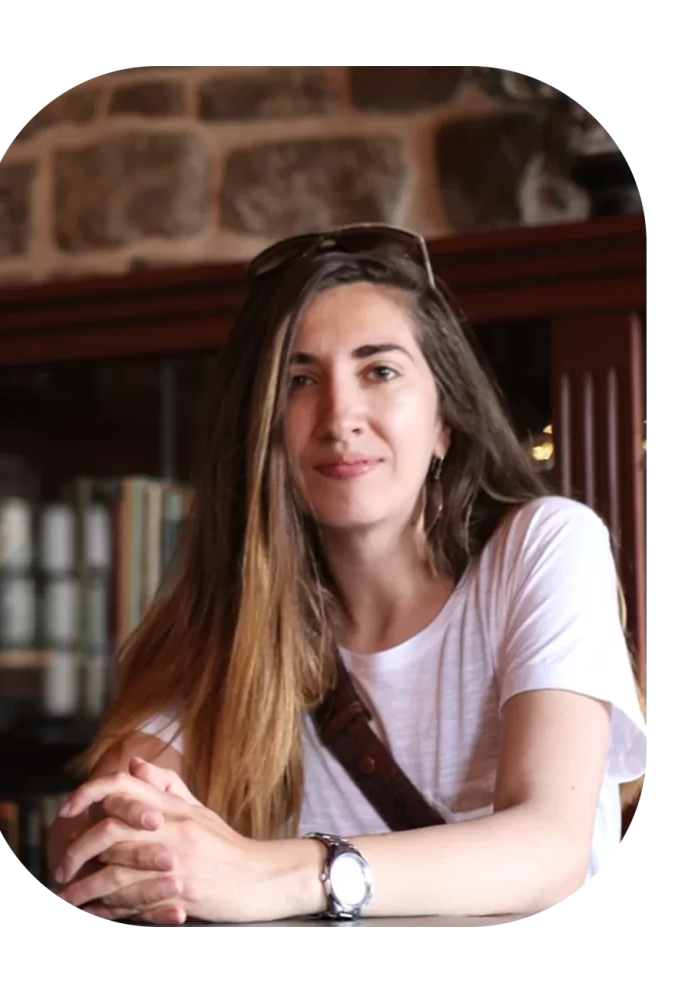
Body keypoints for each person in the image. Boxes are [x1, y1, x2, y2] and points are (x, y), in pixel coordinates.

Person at [47, 224, 647, 925]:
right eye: (300, 381)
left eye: (379, 371)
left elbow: (549, 851)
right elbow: (90, 835)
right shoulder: (241, 617)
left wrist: (277, 873)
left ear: (444, 420)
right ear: (264, 429)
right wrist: (132, 835)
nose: (338, 417)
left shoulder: (546, 545)